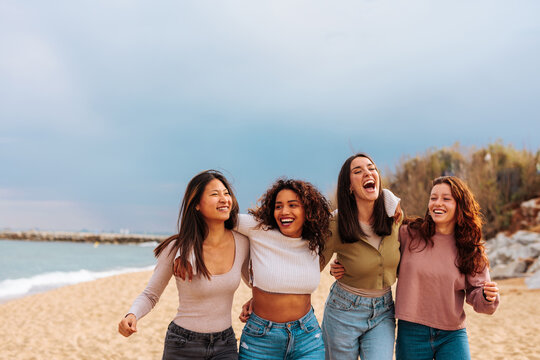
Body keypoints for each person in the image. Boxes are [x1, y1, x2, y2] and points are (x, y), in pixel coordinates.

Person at [118, 170, 249, 360]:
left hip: (225, 344)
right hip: (183, 344)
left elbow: (255, 282)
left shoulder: (243, 243)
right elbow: (150, 294)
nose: (224, 199)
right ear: (196, 204)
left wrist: (256, 298)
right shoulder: (177, 248)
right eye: (215, 194)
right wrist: (132, 315)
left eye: (226, 193)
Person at [394, 176, 499, 360]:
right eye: (433, 198)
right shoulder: (409, 233)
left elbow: (480, 298)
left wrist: (486, 296)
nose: (437, 203)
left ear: (460, 205)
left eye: (446, 199)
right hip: (411, 333)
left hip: (452, 334)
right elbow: (378, 253)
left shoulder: (470, 248)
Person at [236, 178, 332, 360]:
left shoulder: (316, 237)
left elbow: (356, 214)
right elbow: (216, 217)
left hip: (307, 337)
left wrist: (391, 203)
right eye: (278, 206)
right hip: (261, 339)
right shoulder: (257, 228)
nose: (284, 212)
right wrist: (182, 252)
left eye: (293, 205)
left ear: (308, 210)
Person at [321, 153, 402, 360]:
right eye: (358, 171)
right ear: (349, 186)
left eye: (371, 168)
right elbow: (311, 264)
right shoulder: (336, 224)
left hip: (383, 310)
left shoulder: (394, 216)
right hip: (343, 311)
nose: (367, 173)